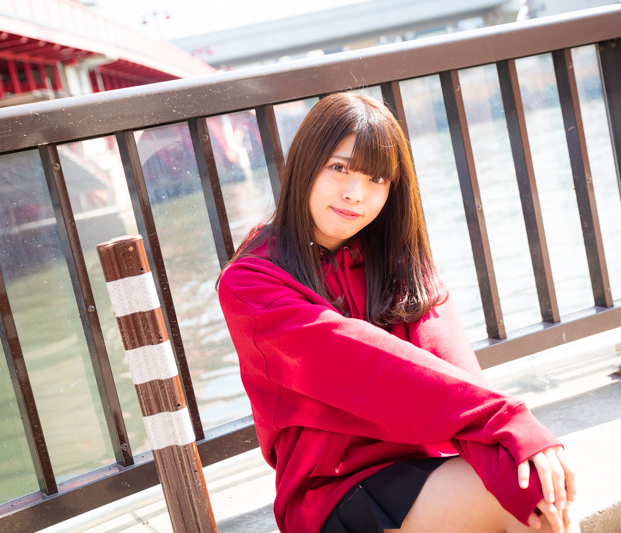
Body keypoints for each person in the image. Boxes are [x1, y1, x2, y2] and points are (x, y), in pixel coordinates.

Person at [217, 92, 578, 533]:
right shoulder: (251, 283)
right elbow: (365, 365)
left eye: (376, 179)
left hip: (427, 462)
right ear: (305, 164)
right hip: (334, 489)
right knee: (526, 495)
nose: (354, 194)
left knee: (535, 490)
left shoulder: (397, 256)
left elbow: (451, 366)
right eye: (339, 168)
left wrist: (509, 445)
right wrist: (506, 420)